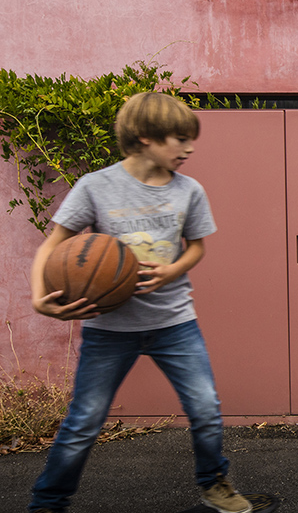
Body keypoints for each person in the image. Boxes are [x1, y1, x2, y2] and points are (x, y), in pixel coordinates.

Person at [28, 92, 251, 513]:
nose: (189, 148)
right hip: (109, 329)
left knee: (205, 408)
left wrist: (171, 270)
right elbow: (52, 244)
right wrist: (40, 298)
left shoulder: (189, 191)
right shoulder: (96, 186)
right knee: (84, 422)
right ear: (146, 137)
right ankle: (48, 503)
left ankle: (214, 484)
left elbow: (196, 247)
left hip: (174, 322)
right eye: (180, 139)